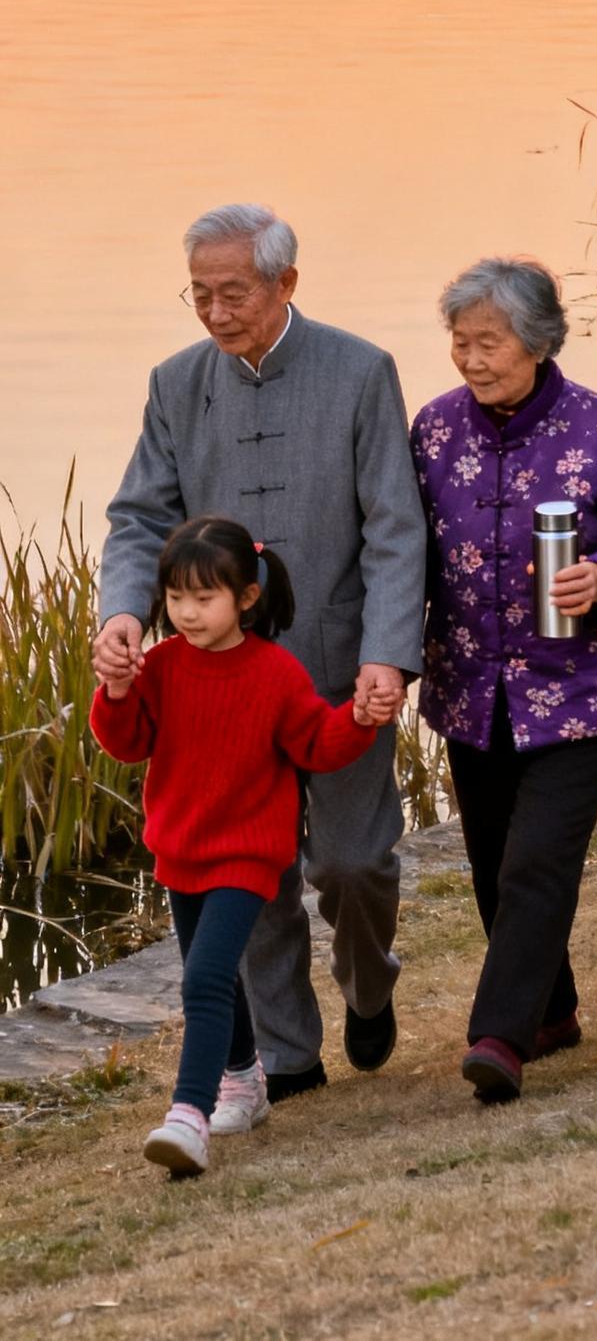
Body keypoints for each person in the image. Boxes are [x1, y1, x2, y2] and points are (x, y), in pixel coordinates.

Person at [93, 204, 427, 1104]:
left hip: (340, 671)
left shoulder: (361, 371)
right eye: (198, 291)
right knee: (257, 872)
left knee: (354, 862)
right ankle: (289, 1055)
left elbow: (397, 529)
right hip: (222, 685)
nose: (212, 309)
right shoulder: (175, 384)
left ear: (285, 282)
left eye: (231, 291)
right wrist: (124, 611)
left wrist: (390, 656)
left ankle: (368, 981)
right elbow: (137, 518)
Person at [411, 259, 597, 1104]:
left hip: (582, 687)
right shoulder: (433, 431)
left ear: (536, 342)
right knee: (495, 866)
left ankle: (498, 1035)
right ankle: (554, 1009)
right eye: (460, 342)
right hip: (471, 688)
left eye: (488, 342)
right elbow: (400, 549)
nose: (471, 358)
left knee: (537, 860)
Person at [91, 517, 392, 1176]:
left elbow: (317, 742)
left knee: (201, 977)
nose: (187, 611)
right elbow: (126, 741)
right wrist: (116, 688)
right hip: (180, 848)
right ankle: (244, 1079)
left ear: (246, 597)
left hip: (248, 853)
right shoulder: (162, 665)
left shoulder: (275, 673)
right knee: (216, 974)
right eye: (175, 597)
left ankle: (188, 1116)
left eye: (204, 597)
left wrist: (362, 717)